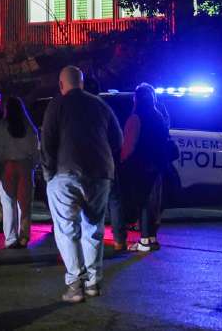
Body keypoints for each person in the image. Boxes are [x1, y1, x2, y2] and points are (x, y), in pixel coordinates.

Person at [41, 66, 122, 303]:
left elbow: (47, 141)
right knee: (93, 228)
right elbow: (117, 140)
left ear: (61, 84)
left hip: (65, 173)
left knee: (67, 229)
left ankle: (75, 284)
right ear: (82, 83)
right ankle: (93, 283)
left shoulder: (57, 104)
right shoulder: (101, 105)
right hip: (100, 174)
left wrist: (48, 174)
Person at [113, 84, 170, 252]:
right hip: (157, 165)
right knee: (153, 202)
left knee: (143, 202)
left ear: (136, 99)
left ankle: (144, 241)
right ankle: (151, 238)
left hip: (141, 165)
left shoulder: (136, 117)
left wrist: (122, 162)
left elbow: (129, 144)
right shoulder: (158, 115)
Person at [0, 96, 40, 249]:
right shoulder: (29, 128)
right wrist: (33, 165)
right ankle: (24, 236)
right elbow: (35, 150)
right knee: (25, 204)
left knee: (8, 203)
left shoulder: (1, 126)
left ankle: (10, 238)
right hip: (25, 166)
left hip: (7, 166)